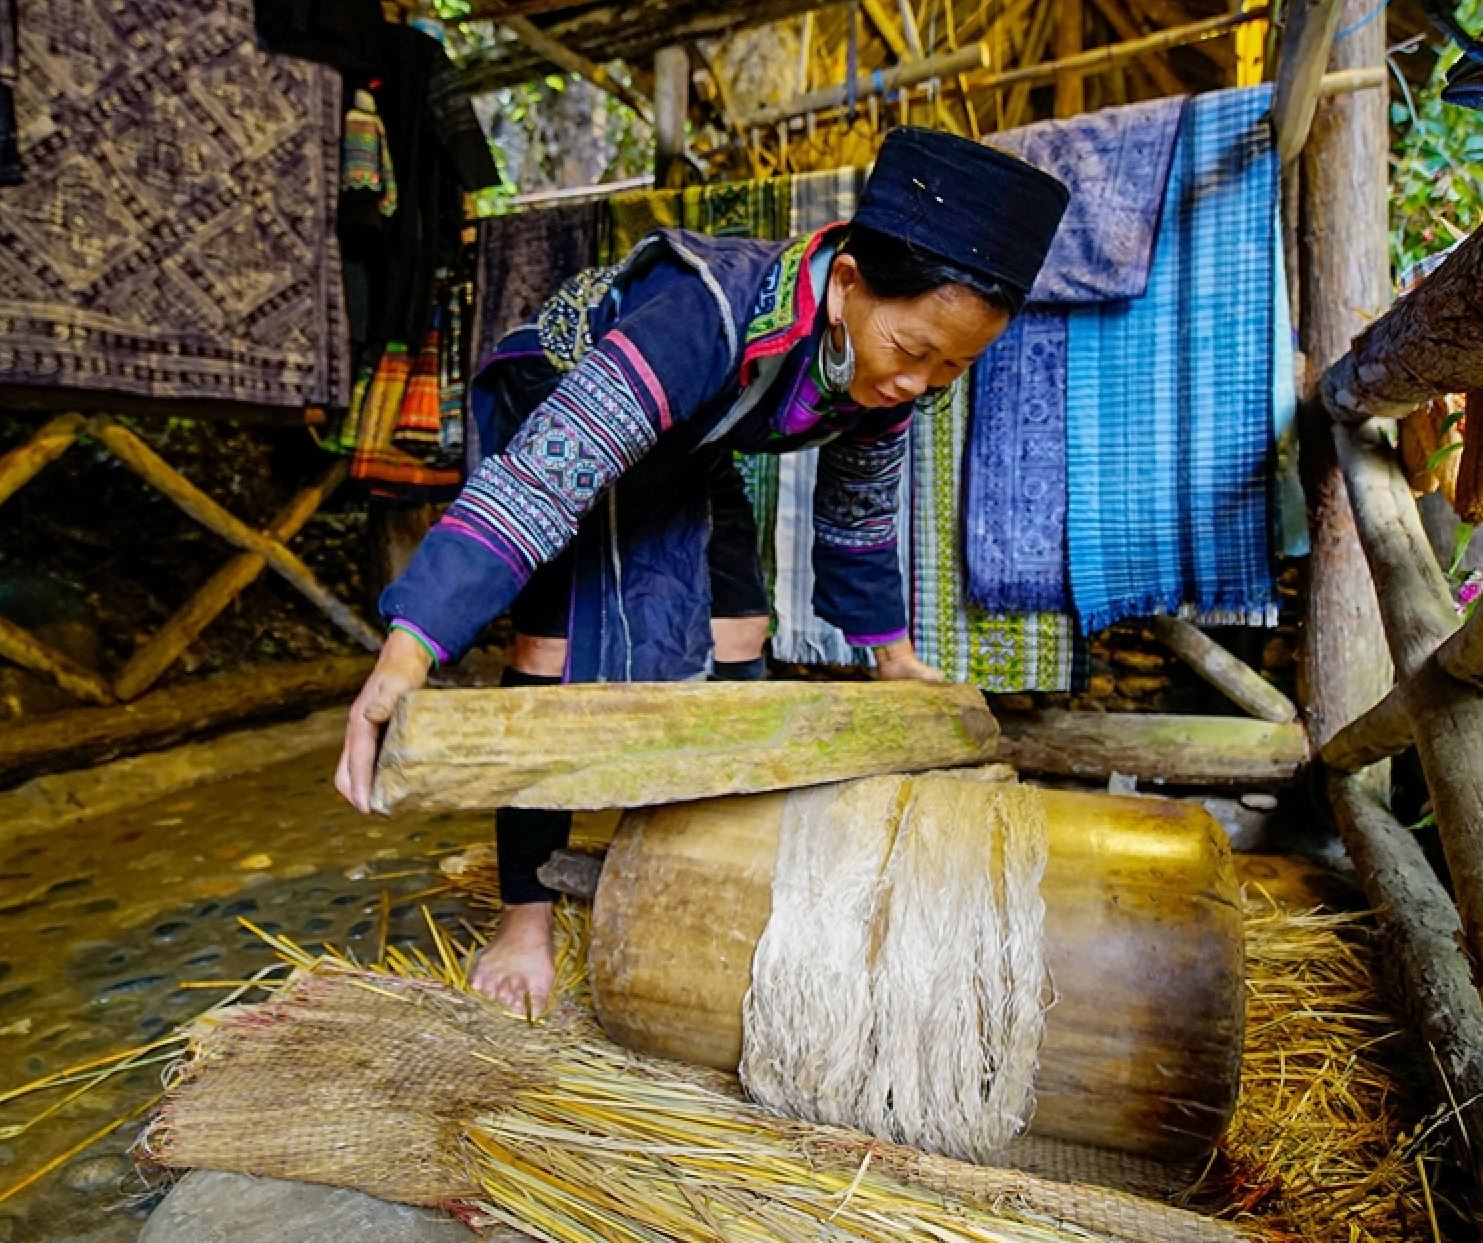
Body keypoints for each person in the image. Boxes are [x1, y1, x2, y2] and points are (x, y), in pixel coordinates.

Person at [335, 127, 1070, 1014]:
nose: (922, 380)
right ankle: (525, 915)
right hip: (562, 405)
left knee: (738, 631)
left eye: (954, 365)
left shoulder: (887, 382)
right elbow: (537, 484)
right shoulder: (702, 311)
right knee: (556, 655)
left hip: (691, 441)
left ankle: (707, 871)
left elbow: (858, 515)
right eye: (913, 348)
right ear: (844, 285)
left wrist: (893, 657)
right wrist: (408, 653)